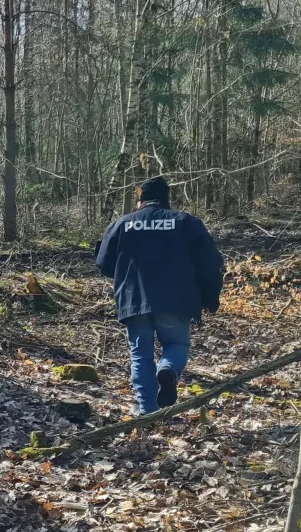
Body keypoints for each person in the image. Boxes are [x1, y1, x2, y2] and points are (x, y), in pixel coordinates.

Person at [96, 176, 224, 415]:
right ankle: (168, 369)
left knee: (140, 355)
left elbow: (103, 263)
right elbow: (210, 264)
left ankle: (147, 412)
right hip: (177, 300)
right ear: (166, 199)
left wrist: (126, 276)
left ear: (140, 200)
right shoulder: (186, 222)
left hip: (134, 300)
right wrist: (210, 297)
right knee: (176, 343)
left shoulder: (122, 224)